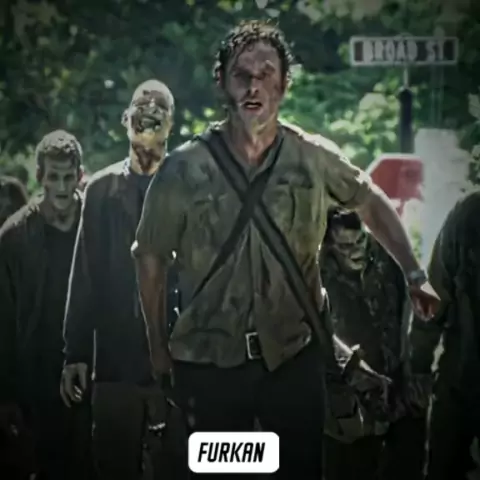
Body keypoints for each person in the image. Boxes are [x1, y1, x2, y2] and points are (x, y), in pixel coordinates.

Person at [132, 20, 439, 479]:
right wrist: (157, 346)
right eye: (241, 75)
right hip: (211, 364)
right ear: (222, 82)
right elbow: (150, 257)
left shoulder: (311, 157)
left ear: (284, 84)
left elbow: (370, 200)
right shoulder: (183, 169)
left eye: (266, 74)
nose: (253, 86)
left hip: (292, 358)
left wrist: (415, 274)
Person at [60, 79, 185, 480]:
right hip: (115, 361)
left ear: (171, 124)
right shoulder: (100, 190)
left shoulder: (188, 187)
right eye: (141, 106)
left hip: (178, 359)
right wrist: (75, 352)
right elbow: (85, 274)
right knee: (113, 465)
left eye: (159, 107)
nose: (149, 111)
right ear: (125, 119)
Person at [0, 130, 91, 480]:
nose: (62, 187)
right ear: (40, 177)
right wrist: (7, 394)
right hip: (38, 376)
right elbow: (5, 321)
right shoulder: (15, 237)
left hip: (93, 368)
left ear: (79, 175)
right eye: (54, 177)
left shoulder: (96, 222)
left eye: (69, 177)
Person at [320, 208, 430, 480]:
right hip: (350, 405)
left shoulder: (389, 257)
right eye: (346, 246)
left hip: (399, 393)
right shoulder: (315, 275)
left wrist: (417, 369)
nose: (356, 250)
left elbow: (423, 311)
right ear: (330, 245)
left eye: (360, 240)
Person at [425, 190, 480, 479]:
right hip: (460, 378)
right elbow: (434, 296)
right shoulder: (467, 217)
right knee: (444, 465)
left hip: (460, 375)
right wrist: (417, 365)